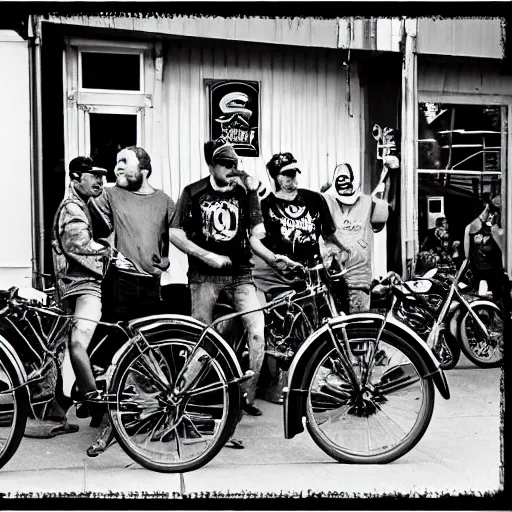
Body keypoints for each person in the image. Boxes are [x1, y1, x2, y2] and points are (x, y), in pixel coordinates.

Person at [169, 137, 267, 427]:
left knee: (257, 331)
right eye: (224, 163)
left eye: (234, 163)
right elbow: (175, 233)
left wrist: (253, 193)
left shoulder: (244, 191)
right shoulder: (192, 192)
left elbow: (257, 232)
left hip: (241, 274)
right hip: (205, 275)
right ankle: (183, 397)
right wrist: (207, 256)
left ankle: (246, 397)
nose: (230, 168)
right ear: (211, 165)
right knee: (201, 337)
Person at [87, 146, 176, 456]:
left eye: (124, 162)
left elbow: (178, 234)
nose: (117, 167)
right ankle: (105, 422)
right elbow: (87, 216)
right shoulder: (110, 195)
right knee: (110, 354)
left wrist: (166, 259)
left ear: (144, 169)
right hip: (120, 284)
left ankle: (144, 413)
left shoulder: (164, 201)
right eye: (116, 162)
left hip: (151, 287)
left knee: (147, 354)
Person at [251, 152, 345, 404]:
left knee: (313, 328)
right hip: (277, 277)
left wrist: (340, 251)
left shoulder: (314, 200)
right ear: (274, 176)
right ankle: (273, 385)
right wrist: (274, 262)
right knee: (280, 331)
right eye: (286, 174)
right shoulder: (265, 205)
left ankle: (309, 381)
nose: (292, 178)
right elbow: (255, 242)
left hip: (310, 276)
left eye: (295, 173)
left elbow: (329, 236)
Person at [51, 156, 112, 430]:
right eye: (94, 176)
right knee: (79, 341)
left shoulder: (83, 205)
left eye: (102, 176)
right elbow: (80, 245)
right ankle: (94, 402)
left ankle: (64, 404)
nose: (100, 181)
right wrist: (110, 253)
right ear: (76, 178)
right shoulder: (73, 209)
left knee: (74, 346)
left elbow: (104, 230)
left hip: (75, 285)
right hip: (81, 286)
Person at [321, 160, 394, 313]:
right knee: (338, 327)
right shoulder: (325, 201)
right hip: (333, 277)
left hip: (358, 279)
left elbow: (385, 209)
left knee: (357, 327)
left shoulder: (367, 202)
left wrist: (388, 175)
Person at [464, 194, 505, 301]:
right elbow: (503, 251)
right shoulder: (495, 229)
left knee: (481, 297)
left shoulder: (468, 228)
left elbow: (466, 254)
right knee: (498, 298)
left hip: (478, 269)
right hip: (494, 269)